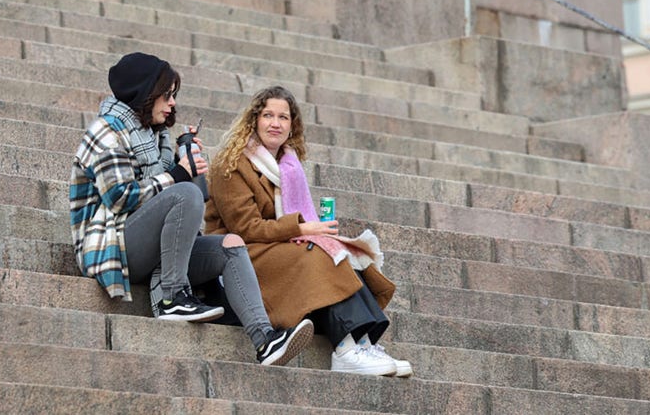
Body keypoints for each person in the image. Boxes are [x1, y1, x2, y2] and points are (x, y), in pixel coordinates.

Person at [69, 53, 313, 366]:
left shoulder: (156, 136)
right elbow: (120, 198)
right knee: (183, 192)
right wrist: (176, 176)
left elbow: (193, 201)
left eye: (174, 96)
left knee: (230, 245)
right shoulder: (106, 132)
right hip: (112, 245)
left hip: (154, 246)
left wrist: (191, 166)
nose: (172, 103)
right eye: (167, 95)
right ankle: (172, 297)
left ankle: (265, 340)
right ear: (145, 93)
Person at [204, 85, 412, 377]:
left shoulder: (288, 165)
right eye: (267, 115)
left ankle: (362, 342)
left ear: (293, 126)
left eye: (283, 117)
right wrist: (301, 228)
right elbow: (246, 228)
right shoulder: (232, 163)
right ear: (254, 120)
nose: (275, 123)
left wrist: (312, 233)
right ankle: (346, 348)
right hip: (239, 253)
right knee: (317, 255)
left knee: (338, 251)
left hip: (273, 247)